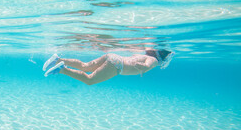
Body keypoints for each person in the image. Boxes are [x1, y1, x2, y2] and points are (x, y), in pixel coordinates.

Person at [43, 49, 174, 85]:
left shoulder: (141, 53)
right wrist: (143, 68)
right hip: (118, 66)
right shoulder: (154, 60)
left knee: (85, 66)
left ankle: (58, 59)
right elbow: (147, 65)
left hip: (113, 57)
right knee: (90, 80)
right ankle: (61, 69)